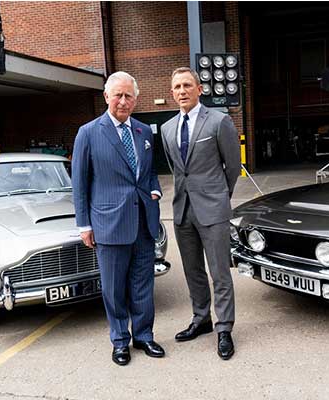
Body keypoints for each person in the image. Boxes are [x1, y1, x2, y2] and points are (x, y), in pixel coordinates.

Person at [72, 71, 164, 366]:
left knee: (142, 283)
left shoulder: (143, 131)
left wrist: (155, 192)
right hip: (108, 224)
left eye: (129, 96)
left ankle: (144, 336)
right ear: (106, 97)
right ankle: (120, 341)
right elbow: (80, 182)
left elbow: (150, 173)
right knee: (113, 288)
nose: (123, 102)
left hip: (143, 222)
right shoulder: (88, 132)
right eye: (118, 95)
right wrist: (84, 224)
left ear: (136, 99)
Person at [160, 67, 241, 360]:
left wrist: (221, 196)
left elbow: (232, 167)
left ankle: (224, 328)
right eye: (176, 87)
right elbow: (176, 170)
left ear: (199, 88)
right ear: (172, 93)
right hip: (182, 210)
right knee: (192, 270)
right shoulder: (167, 128)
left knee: (219, 271)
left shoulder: (219, 122)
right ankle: (201, 319)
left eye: (186, 85)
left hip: (213, 208)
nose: (181, 91)